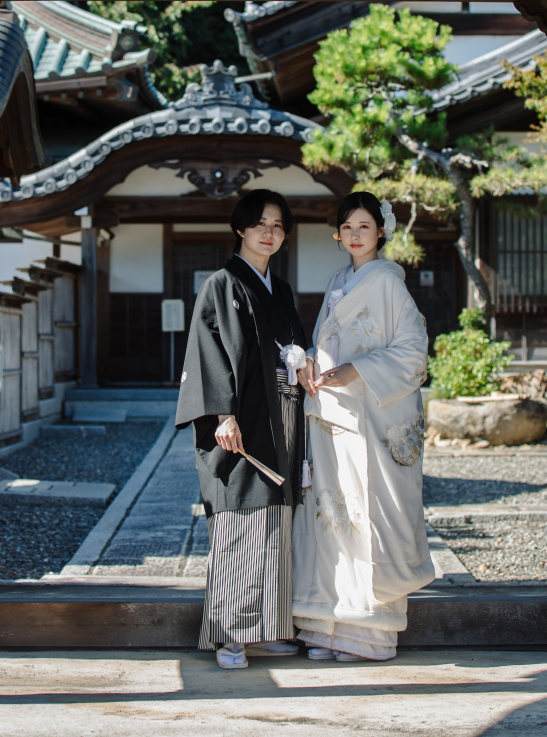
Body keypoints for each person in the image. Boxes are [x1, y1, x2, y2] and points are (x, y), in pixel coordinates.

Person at [292, 190, 435, 662]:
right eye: (348, 228)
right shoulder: (338, 281)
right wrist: (310, 363)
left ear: (380, 233)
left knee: (366, 514)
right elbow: (327, 343)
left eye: (365, 228)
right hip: (333, 415)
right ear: (338, 234)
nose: (356, 236)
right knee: (331, 516)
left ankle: (367, 635)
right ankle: (325, 629)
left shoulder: (390, 284)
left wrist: (358, 370)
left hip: (372, 417)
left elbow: (414, 351)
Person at [175, 188, 308, 670]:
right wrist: (221, 416)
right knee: (239, 524)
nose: (269, 233)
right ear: (241, 229)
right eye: (260, 224)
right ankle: (231, 637)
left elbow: (294, 351)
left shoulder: (281, 289)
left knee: (274, 526)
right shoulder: (222, 284)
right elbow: (207, 353)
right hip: (239, 427)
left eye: (277, 225)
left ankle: (267, 630)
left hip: (280, 422)